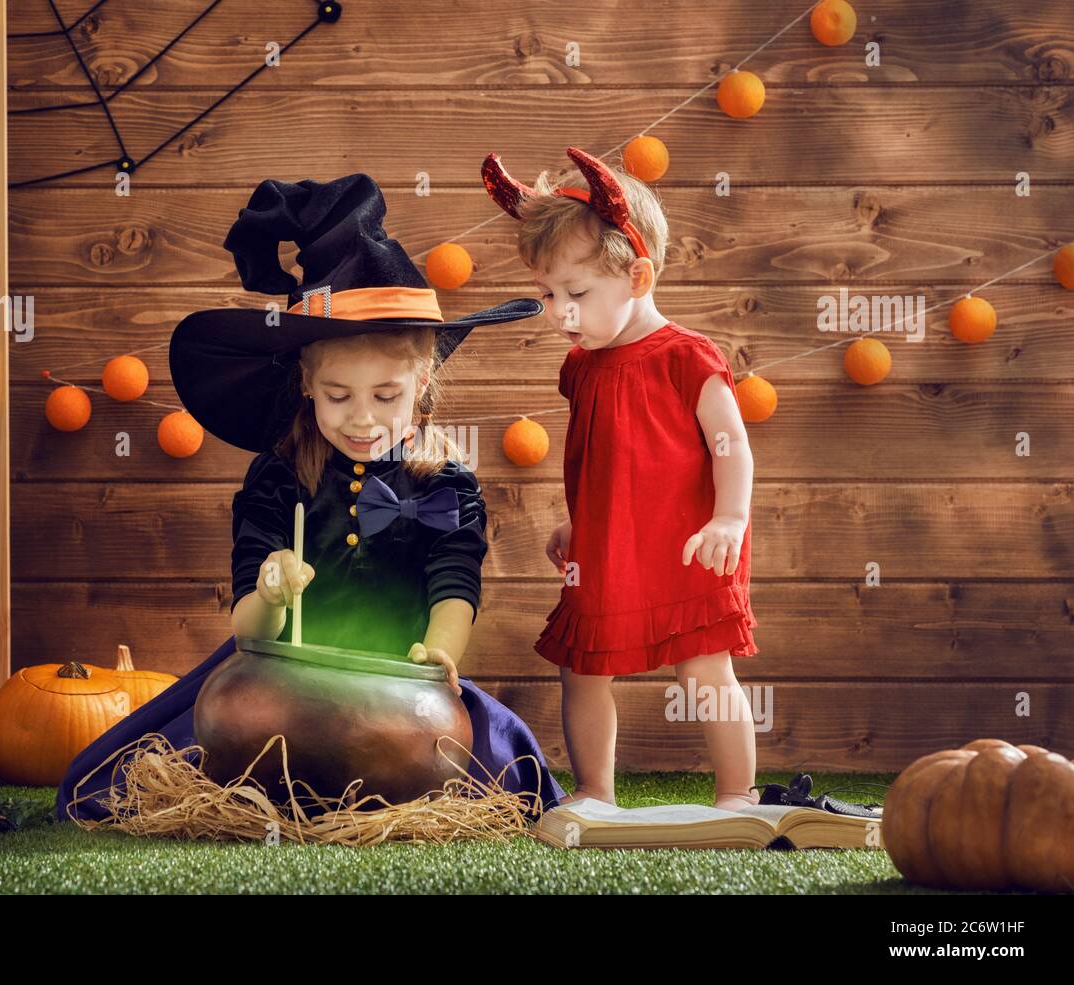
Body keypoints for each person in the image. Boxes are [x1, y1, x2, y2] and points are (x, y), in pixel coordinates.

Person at [57, 172, 566, 824]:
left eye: (386, 396)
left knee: (478, 763)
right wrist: (270, 593)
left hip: (401, 690)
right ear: (306, 382)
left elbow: (453, 584)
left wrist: (441, 649)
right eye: (338, 395)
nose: (362, 418)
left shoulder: (445, 484)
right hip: (280, 682)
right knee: (206, 731)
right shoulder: (277, 479)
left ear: (422, 384)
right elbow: (248, 629)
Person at [482, 147, 760, 810]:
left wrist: (729, 517)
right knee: (582, 668)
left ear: (637, 276)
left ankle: (738, 792)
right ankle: (596, 790)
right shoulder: (582, 368)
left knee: (703, 669)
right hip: (609, 547)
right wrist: (580, 522)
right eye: (548, 294)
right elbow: (607, 460)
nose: (559, 312)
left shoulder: (687, 357)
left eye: (576, 295)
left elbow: (732, 446)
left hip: (692, 541)